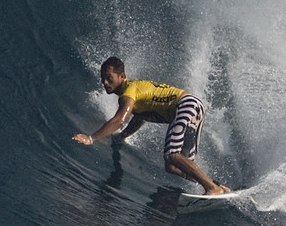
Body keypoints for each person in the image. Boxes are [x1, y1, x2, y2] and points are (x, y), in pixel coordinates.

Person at [73, 57, 231, 195]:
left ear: (122, 76)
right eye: (103, 79)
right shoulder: (136, 92)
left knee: (172, 154)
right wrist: (123, 136)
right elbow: (140, 117)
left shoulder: (129, 91)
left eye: (109, 78)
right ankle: (218, 186)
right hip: (194, 106)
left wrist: (91, 138)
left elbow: (119, 119)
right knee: (173, 166)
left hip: (185, 106)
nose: (105, 83)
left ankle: (211, 188)